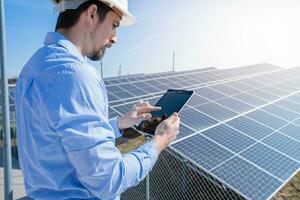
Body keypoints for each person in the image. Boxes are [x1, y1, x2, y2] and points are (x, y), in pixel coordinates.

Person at [14, 0, 180, 199]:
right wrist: (160, 141)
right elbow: (109, 180)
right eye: (114, 25)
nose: (114, 39)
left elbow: (58, 138)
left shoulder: (33, 67)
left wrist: (119, 123)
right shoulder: (76, 75)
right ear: (92, 13)